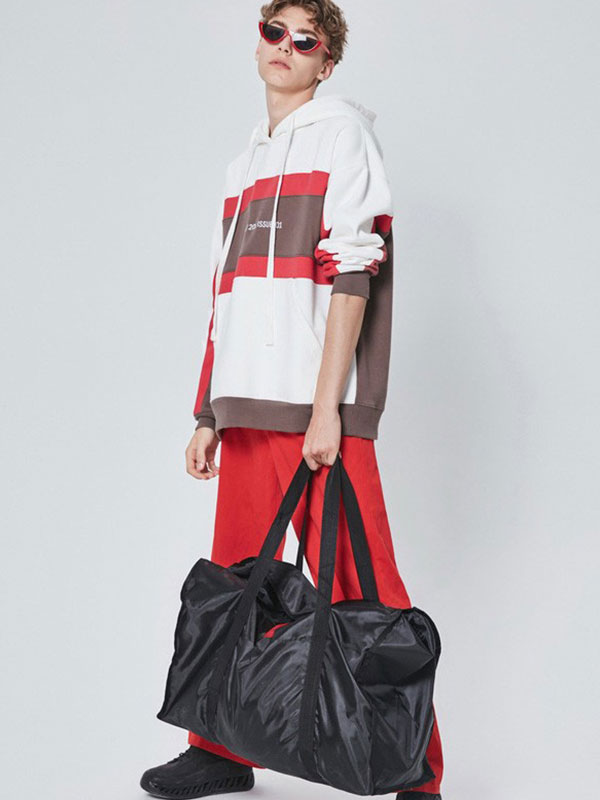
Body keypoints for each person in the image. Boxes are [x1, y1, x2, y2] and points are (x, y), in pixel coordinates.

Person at [140, 1, 444, 798]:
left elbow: (354, 272)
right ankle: (219, 747)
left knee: (363, 589)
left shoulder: (344, 137)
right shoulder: (242, 164)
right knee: (237, 586)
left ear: (325, 62)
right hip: (245, 407)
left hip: (316, 412)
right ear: (259, 43)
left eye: (305, 39)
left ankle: (416, 772)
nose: (286, 46)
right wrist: (209, 410)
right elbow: (226, 295)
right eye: (274, 31)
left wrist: (326, 409)